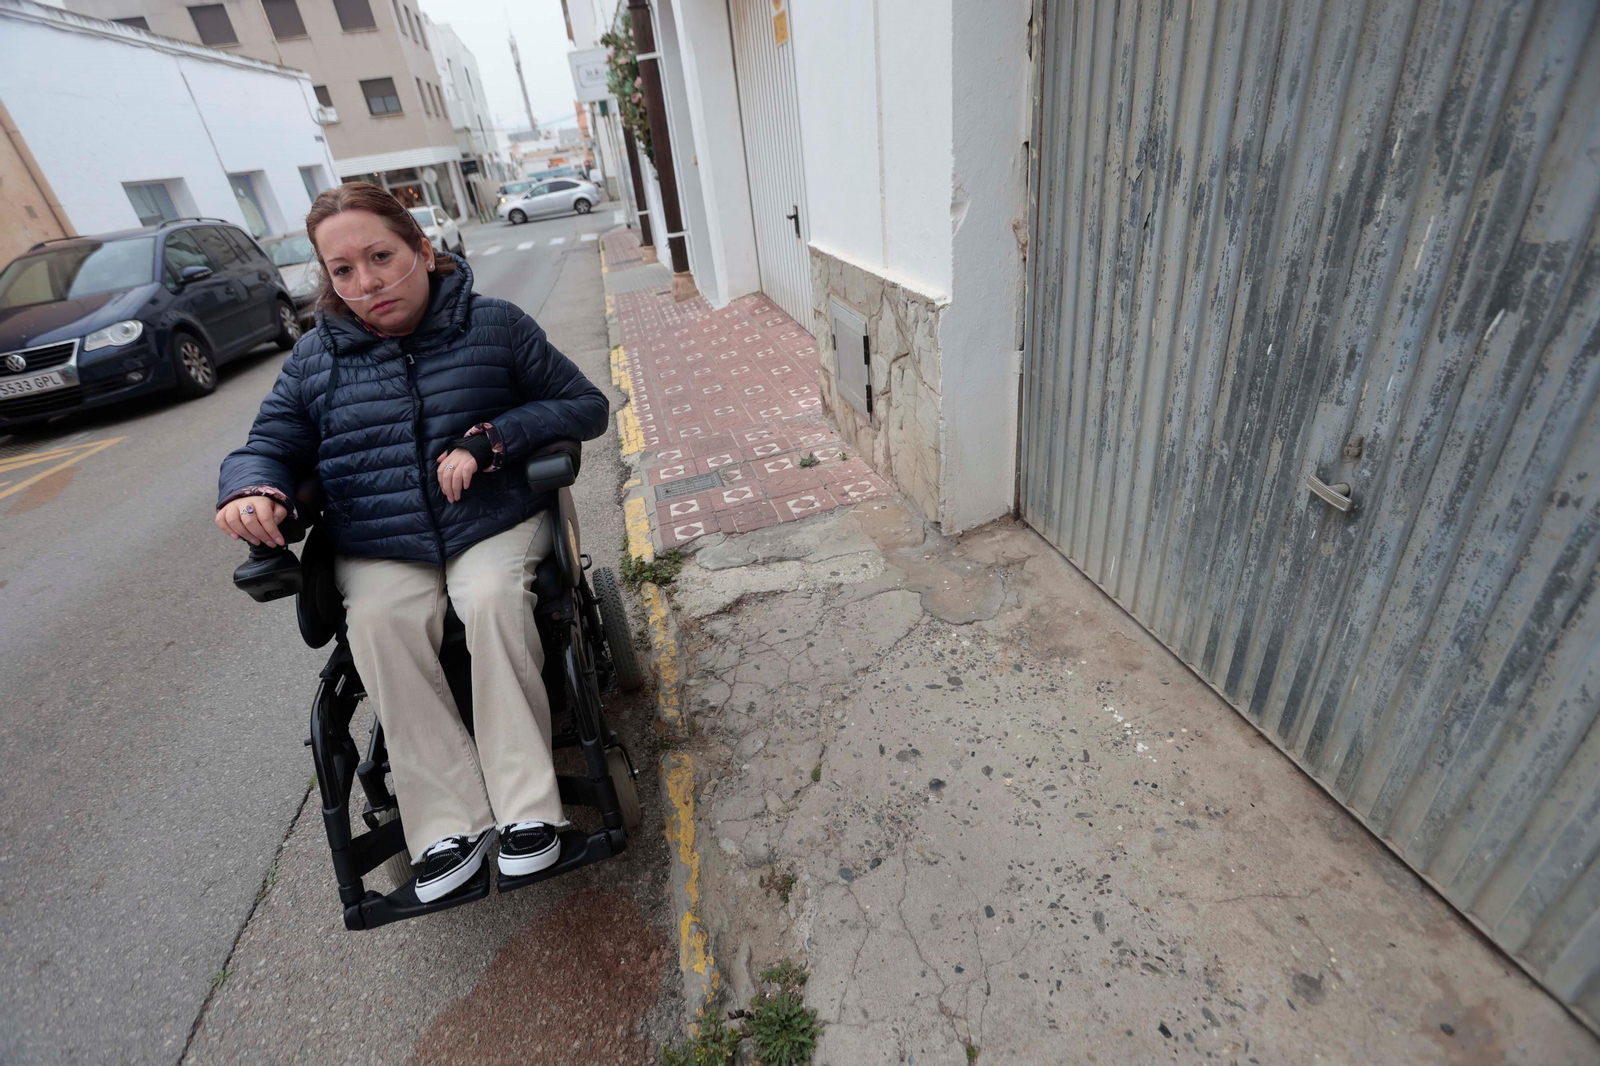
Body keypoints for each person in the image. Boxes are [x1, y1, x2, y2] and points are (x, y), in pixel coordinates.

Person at [216, 182, 608, 903]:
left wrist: (493, 439)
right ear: (327, 280)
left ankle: (528, 812)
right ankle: (446, 830)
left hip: (490, 517)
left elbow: (583, 405)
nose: (366, 282)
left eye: (380, 257)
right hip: (380, 539)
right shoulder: (315, 360)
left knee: (490, 598)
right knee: (375, 621)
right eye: (343, 271)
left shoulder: (495, 326)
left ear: (423, 252)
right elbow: (270, 443)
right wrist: (252, 490)